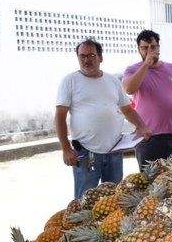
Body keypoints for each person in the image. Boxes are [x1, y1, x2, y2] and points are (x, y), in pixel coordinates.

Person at [55, 39, 152, 199]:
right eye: (82, 56)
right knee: (85, 202)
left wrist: (142, 126)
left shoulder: (113, 81)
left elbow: (127, 109)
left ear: (100, 57)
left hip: (114, 151)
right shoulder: (69, 81)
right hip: (86, 154)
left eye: (91, 55)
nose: (86, 60)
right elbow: (60, 116)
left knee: (114, 200)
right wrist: (66, 149)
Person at [122, 30, 172, 168]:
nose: (149, 51)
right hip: (148, 136)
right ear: (138, 49)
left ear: (159, 48)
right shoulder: (133, 70)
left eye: (153, 46)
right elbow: (129, 89)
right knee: (151, 182)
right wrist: (146, 64)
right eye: (144, 48)